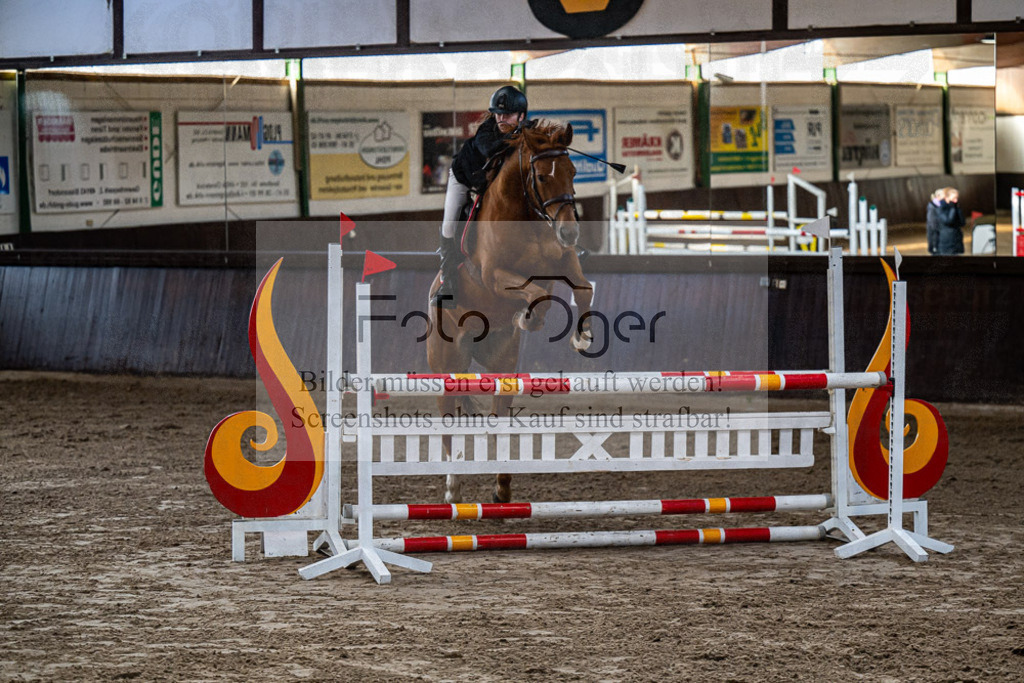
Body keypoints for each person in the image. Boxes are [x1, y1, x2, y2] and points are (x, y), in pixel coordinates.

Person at [431, 85, 529, 308]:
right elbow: (489, 150)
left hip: (490, 186)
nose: (502, 118)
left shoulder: (524, 134)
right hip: (464, 179)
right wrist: (517, 137)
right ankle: (448, 283)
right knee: (449, 226)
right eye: (499, 113)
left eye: (508, 114)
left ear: (521, 116)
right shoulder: (487, 131)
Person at [935, 187, 965, 255]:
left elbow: (962, 222)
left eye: (957, 198)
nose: (956, 200)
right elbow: (948, 221)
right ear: (946, 198)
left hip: (957, 240)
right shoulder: (940, 208)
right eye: (954, 198)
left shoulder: (955, 207)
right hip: (947, 242)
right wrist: (953, 208)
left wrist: (958, 210)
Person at [925, 188, 944, 255]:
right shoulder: (932, 207)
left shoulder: (938, 206)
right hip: (934, 237)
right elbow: (933, 223)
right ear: (938, 196)